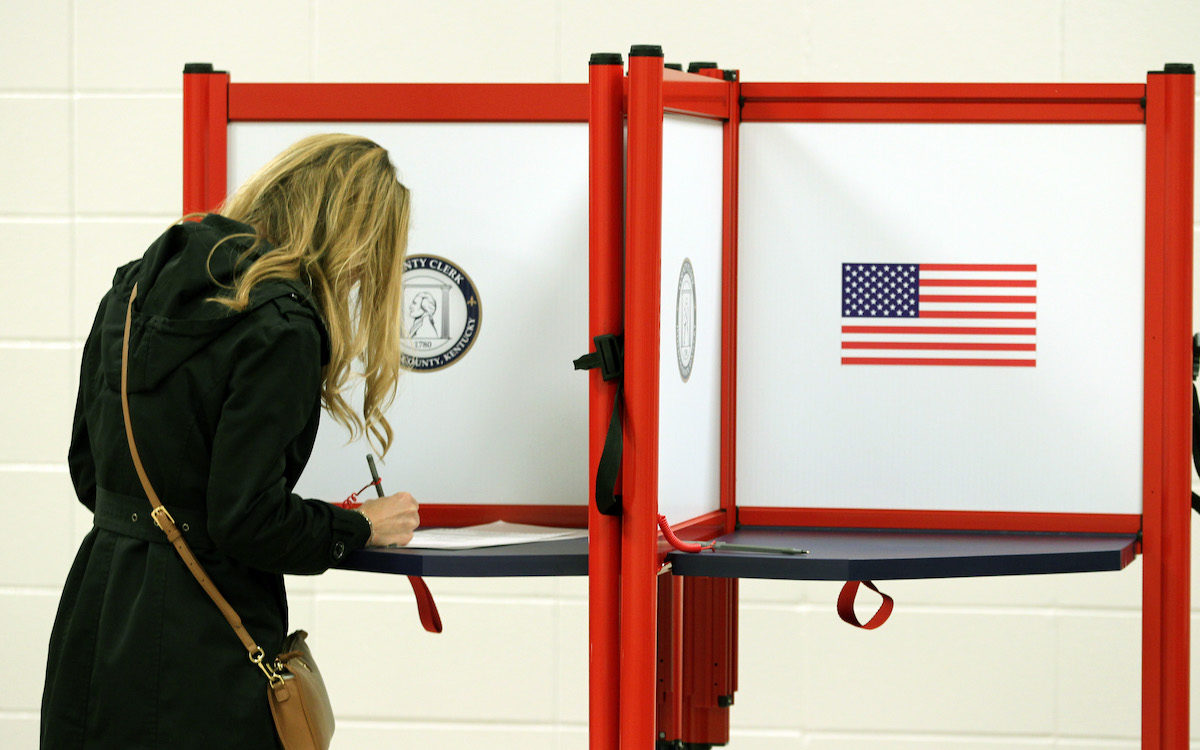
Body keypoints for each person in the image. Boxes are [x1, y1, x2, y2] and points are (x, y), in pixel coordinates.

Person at [41, 134, 420, 749]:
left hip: (98, 614)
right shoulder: (282, 325)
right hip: (203, 645)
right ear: (349, 236)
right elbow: (247, 520)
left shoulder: (131, 290)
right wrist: (359, 526)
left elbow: (89, 471)